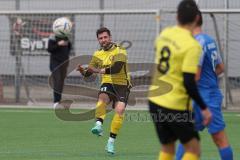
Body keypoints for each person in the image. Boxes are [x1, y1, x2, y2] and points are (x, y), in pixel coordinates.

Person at [148, 0, 212, 160]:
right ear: (197, 18)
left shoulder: (165, 33)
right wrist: (204, 108)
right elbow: (189, 82)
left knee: (167, 147)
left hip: (155, 100)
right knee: (193, 148)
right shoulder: (192, 45)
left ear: (177, 16)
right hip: (174, 104)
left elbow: (157, 50)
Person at [175, 11, 233, 160]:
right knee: (218, 139)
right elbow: (220, 67)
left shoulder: (195, 42)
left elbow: (196, 75)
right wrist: (210, 81)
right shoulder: (209, 40)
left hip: (199, 98)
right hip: (210, 96)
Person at [77, 27, 131, 154]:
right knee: (102, 98)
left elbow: (116, 69)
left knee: (120, 110)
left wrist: (95, 70)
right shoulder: (97, 54)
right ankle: (98, 125)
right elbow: (88, 74)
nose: (103, 40)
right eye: (100, 38)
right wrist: (82, 71)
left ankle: (111, 142)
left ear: (110, 37)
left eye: (105, 37)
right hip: (107, 82)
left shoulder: (120, 50)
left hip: (122, 84)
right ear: (98, 40)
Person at [47, 31, 72, 108]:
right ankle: (56, 102)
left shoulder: (66, 37)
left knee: (61, 82)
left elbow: (69, 48)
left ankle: (59, 100)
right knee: (57, 80)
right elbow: (49, 49)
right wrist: (58, 44)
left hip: (64, 63)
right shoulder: (53, 37)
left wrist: (66, 44)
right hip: (55, 63)